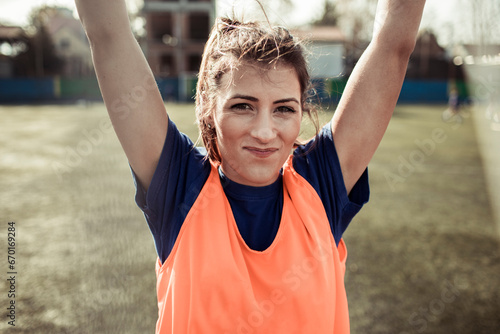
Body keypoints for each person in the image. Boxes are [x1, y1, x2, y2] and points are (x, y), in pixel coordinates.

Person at [75, 0, 426, 332]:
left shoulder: (321, 187)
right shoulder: (180, 188)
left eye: (284, 109)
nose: (264, 132)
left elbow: (393, 44)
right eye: (243, 106)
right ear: (212, 110)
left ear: (302, 112)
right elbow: (109, 35)